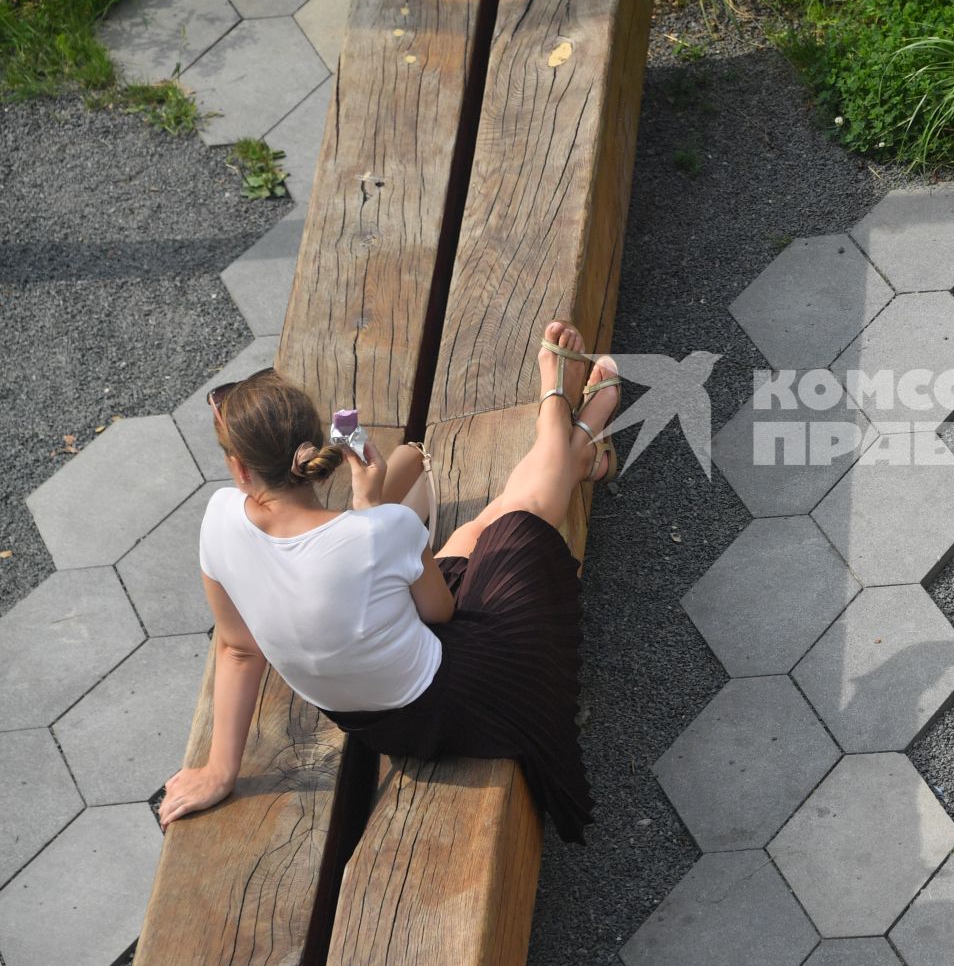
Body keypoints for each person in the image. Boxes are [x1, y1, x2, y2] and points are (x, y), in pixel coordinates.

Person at [156, 320, 622, 844]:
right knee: (519, 518)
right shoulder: (380, 531)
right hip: (458, 699)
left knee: (474, 531)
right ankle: (557, 419)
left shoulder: (218, 518)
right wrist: (371, 510)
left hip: (372, 721)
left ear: (240, 470)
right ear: (316, 455)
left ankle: (578, 450)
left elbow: (238, 651)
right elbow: (442, 614)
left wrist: (220, 772)